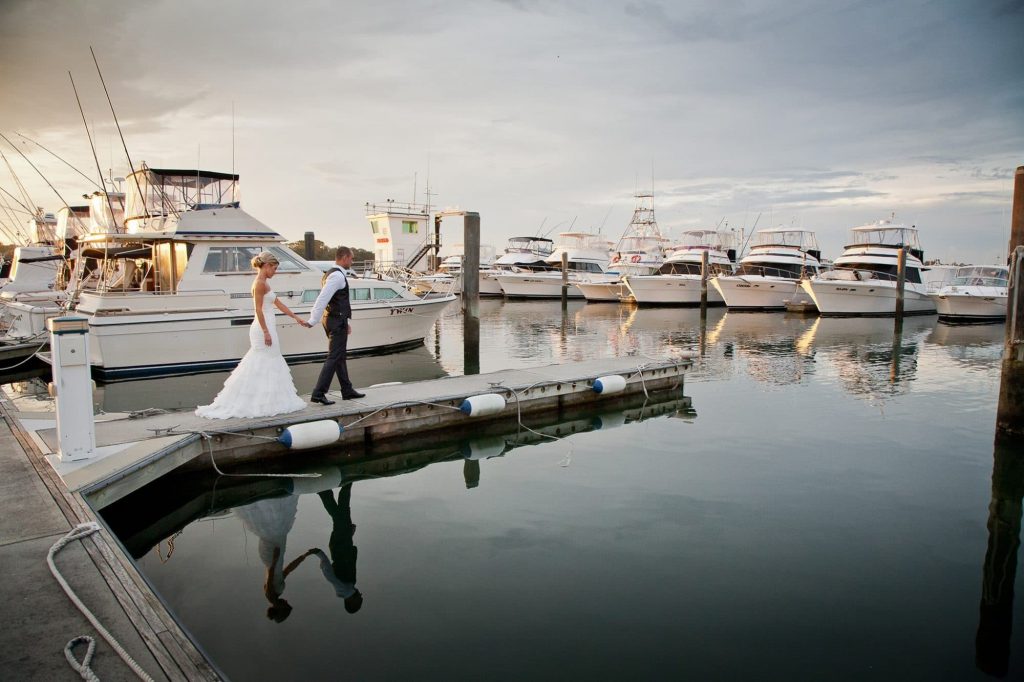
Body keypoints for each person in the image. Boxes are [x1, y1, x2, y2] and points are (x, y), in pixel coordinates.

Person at [196, 251, 311, 419]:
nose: (275, 272)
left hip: (269, 325)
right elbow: (258, 309)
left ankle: (269, 400)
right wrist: (265, 332)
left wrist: (296, 318)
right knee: (262, 362)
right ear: (266, 266)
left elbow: (278, 303)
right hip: (262, 327)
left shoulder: (266, 284)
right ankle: (256, 402)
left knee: (270, 363)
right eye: (274, 268)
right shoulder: (259, 284)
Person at [306, 246, 365, 405]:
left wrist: (346, 323)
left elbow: (337, 301)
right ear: (344, 258)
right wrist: (313, 319)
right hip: (335, 321)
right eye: (351, 258)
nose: (352, 261)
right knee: (334, 357)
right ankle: (318, 393)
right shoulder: (337, 276)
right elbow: (322, 299)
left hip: (336, 320)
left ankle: (347, 390)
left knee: (339, 356)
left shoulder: (329, 274)